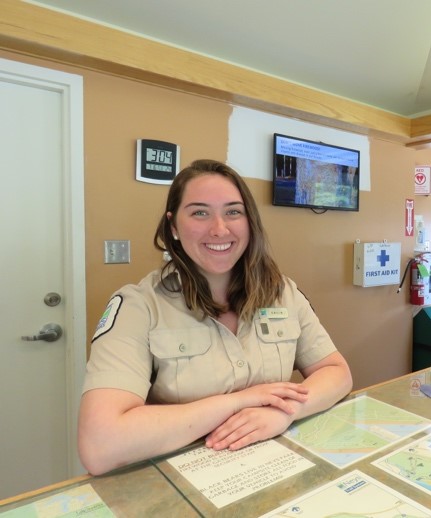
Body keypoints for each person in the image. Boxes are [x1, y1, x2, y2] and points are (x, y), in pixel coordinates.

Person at [78, 159, 353, 476]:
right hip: (183, 480)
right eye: (199, 212)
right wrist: (240, 402)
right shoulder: (137, 306)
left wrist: (284, 412)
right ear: (173, 226)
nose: (219, 229)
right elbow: (99, 445)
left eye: (233, 212)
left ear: (249, 222)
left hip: (278, 468)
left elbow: (337, 372)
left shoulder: (282, 292)